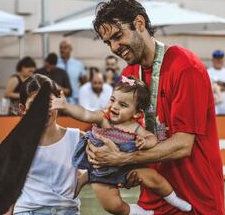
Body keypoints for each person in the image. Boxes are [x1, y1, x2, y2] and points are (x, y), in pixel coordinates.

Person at [88, 0, 224, 214]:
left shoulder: (186, 67)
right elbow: (119, 128)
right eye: (108, 42)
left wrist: (124, 158)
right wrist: (104, 152)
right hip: (152, 199)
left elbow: (182, 144)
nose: (113, 47)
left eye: (118, 36)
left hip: (196, 198)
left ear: (139, 24)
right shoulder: (128, 75)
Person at [52, 76, 192, 215]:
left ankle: (174, 200)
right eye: (113, 100)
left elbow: (151, 138)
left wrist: (146, 142)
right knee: (112, 206)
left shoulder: (135, 127)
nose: (114, 107)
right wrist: (67, 107)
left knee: (155, 178)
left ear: (137, 113)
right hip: (100, 171)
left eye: (123, 105)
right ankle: (137, 212)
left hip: (125, 167)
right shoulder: (103, 118)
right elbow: (85, 114)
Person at [12, 74, 82, 215]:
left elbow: (99, 170)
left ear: (59, 102)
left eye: (48, 102)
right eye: (34, 104)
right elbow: (8, 190)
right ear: (22, 109)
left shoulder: (77, 138)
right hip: (27, 212)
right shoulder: (16, 144)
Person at [57, 40, 87, 105]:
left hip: (74, 99)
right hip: (58, 98)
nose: (62, 50)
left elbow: (84, 82)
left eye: (65, 48)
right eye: (61, 48)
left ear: (70, 49)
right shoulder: (56, 64)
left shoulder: (78, 64)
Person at [207, 49, 225, 114]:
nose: (218, 60)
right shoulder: (207, 72)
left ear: (223, 60)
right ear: (212, 60)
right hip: (213, 108)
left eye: (220, 58)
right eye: (216, 58)